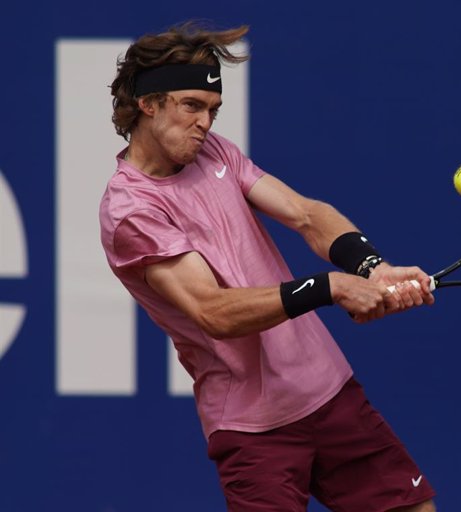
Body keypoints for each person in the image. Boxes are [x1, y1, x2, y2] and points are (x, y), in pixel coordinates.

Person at [100, 21, 437, 512]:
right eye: (191, 106)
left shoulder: (213, 152)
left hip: (329, 390)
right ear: (148, 105)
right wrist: (330, 288)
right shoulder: (131, 211)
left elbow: (305, 214)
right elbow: (213, 311)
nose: (205, 124)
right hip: (252, 428)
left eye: (212, 110)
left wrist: (368, 266)